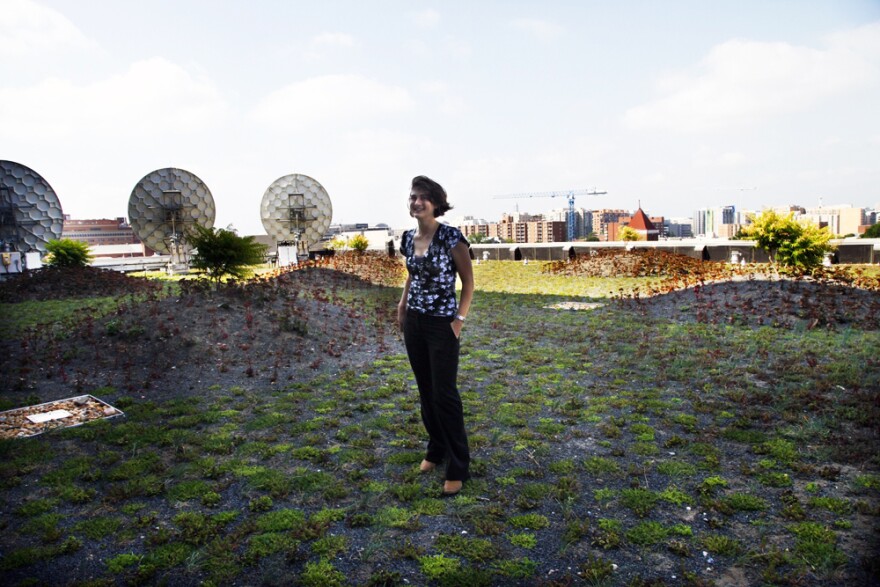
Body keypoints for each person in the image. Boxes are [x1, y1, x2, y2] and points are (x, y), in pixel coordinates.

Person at [397, 175, 474, 496]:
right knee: (426, 391)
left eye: (423, 198)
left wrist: (458, 321)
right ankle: (436, 448)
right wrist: (402, 305)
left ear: (436, 204)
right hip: (414, 322)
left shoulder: (452, 239)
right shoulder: (405, 238)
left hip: (442, 325)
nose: (417, 202)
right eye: (413, 196)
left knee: (445, 394)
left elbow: (468, 283)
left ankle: (459, 463)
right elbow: (412, 276)